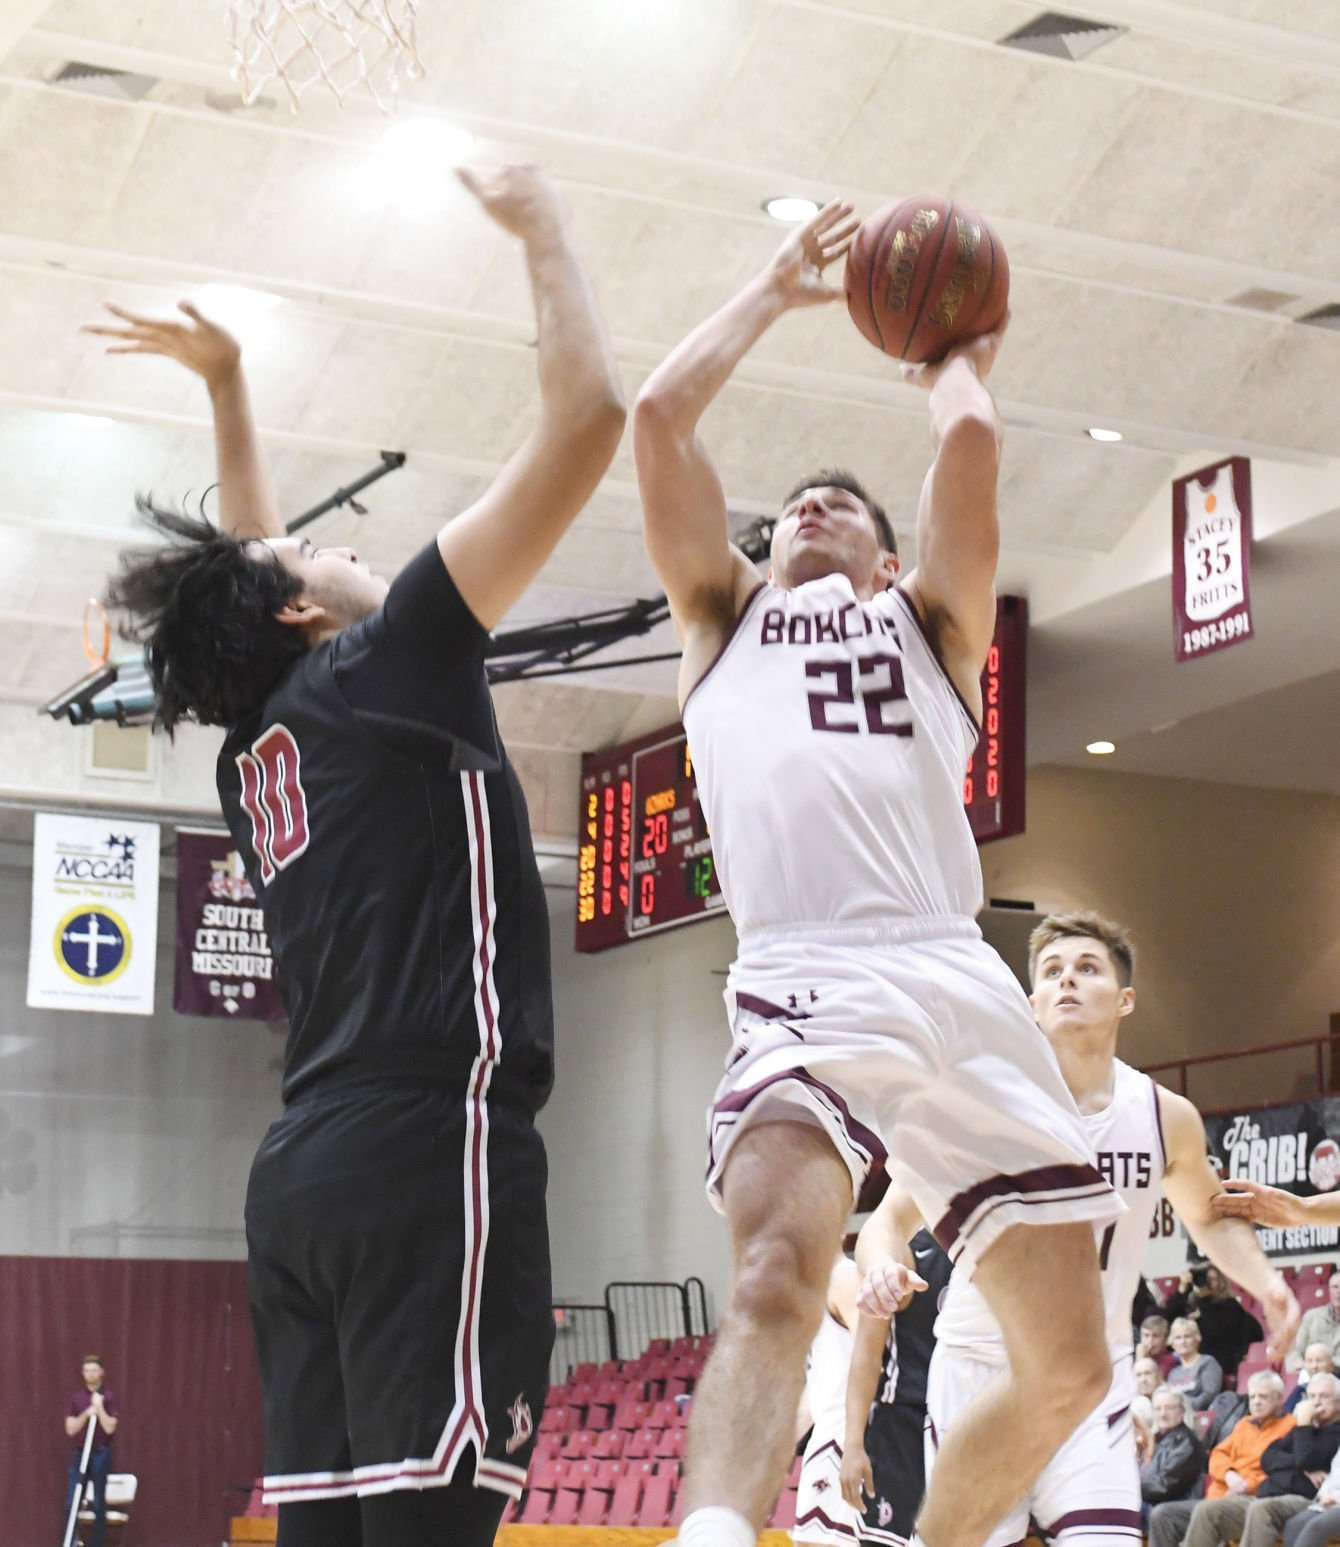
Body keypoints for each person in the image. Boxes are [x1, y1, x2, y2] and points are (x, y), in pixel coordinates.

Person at [91, 164, 624, 1547]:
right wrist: (544, 234)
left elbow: (250, 572)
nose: (335, 542)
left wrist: (230, 386)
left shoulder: (257, 742)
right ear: (301, 606)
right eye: (313, 547)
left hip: (306, 1172)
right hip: (424, 1144)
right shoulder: (393, 659)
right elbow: (591, 421)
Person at [633, 197, 1121, 1547]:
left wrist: (955, 346)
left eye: (842, 503)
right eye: (794, 503)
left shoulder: (932, 626)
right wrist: (772, 288)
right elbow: (656, 427)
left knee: (1072, 1366)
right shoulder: (721, 625)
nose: (813, 506)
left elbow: (968, 439)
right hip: (806, 968)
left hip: (956, 973)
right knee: (781, 1269)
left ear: (886, 555)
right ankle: (718, 1534)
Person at [864, 911, 1297, 1547]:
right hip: (983, 1372)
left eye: (1087, 969)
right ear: (1032, 1002)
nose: (1067, 981)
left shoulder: (1161, 1114)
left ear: (1125, 1000)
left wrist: (1268, 1283)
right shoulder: (979, 1109)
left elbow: (1209, 1215)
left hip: (1095, 1375)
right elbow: (887, 1222)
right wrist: (880, 1266)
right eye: (1052, 972)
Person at [839, 1192, 953, 1546]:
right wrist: (853, 1443)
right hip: (904, 1424)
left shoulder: (995, 1245)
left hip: (969, 1420)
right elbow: (867, 1356)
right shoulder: (901, 1250)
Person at [1178, 1371, 1340, 1547]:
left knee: (1261, 1509)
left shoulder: (1325, 1430)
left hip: (1304, 1499)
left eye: (1323, 1396)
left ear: (1338, 1402)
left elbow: (1306, 1459)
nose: (1315, 1402)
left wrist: (1303, 1433)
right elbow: (1268, 1456)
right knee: (1208, 1510)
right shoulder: (1305, 1428)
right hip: (1268, 1495)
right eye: (1311, 1396)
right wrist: (1301, 1465)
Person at [1149, 1370, 1295, 1547]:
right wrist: (1229, 1475)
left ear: (1279, 1398)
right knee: (1162, 1514)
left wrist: (1246, 1485)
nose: (1256, 1402)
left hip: (1254, 1499)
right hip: (1219, 1496)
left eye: (1263, 1397)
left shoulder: (1290, 1427)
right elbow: (1218, 1455)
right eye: (1252, 1396)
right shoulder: (1244, 1424)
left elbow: (1284, 1474)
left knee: (1207, 1510)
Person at [794, 1256, 864, 1547]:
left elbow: (877, 1359)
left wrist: (857, 1441)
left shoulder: (844, 1279)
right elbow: (819, 1384)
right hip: (828, 1433)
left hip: (847, 1437)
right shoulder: (814, 1290)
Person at [1165, 1264, 1264, 1381]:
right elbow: (1167, 1323)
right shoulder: (1190, 1305)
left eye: (1212, 1279)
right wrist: (1182, 1290)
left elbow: (1214, 1331)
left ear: (1221, 1282)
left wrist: (1202, 1307)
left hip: (1218, 1366)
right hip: (1187, 1367)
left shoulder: (1230, 1306)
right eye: (1203, 1278)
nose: (1207, 1283)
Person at [63, 1356, 118, 1547]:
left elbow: (110, 1427)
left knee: (99, 1505)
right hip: (80, 1454)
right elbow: (70, 1428)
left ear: (101, 1372)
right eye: (87, 1370)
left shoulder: (109, 1397)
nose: (90, 1374)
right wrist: (87, 1412)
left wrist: (100, 1407)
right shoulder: (77, 1399)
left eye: (94, 1370)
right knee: (72, 1501)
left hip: (100, 1453)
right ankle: (70, 1541)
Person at [1139, 1384, 1207, 1517]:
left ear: (1181, 1412)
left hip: (1169, 1509)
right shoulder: (1154, 1440)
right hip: (1148, 1501)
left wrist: (1131, 1487)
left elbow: (1164, 1487)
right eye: (1157, 1409)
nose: (1162, 1414)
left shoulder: (1186, 1443)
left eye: (1169, 1408)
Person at [1167, 1317, 1225, 1409]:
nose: (1183, 1342)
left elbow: (1209, 1396)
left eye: (1187, 1336)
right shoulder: (1173, 1372)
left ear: (1197, 1339)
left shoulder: (1208, 1363)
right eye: (1178, 1338)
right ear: (1172, 1343)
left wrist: (1184, 1409)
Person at [1287, 1276, 1340, 1370]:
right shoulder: (1311, 1316)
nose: (1338, 1291)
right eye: (1335, 1287)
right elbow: (1295, 1350)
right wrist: (1298, 1363)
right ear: (1329, 1290)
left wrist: (1328, 1364)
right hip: (1312, 1375)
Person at [1288, 1346, 1338, 1414]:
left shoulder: (1337, 1388)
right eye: (1309, 1361)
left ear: (1331, 1365)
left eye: (1319, 1361)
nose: (1314, 1366)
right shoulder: (1300, 1390)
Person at [1133, 1355, 1164, 1432]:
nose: (1143, 1380)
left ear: (1159, 1375)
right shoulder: (1133, 1401)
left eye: (1148, 1373)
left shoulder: (1174, 1396)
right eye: (1138, 1375)